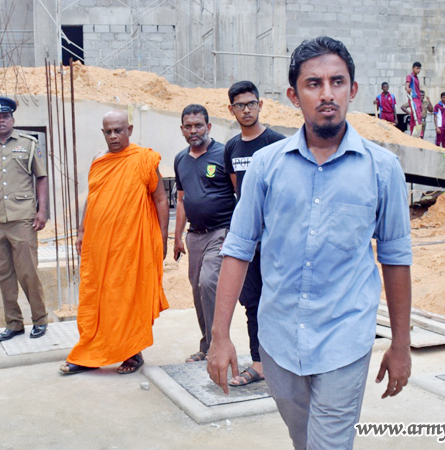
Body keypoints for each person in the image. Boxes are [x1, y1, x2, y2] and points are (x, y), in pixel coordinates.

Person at [207, 36, 413, 449]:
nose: (327, 94)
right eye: (313, 84)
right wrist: (219, 335)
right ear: (293, 95)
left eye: (337, 82)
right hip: (278, 340)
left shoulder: (383, 169)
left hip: (345, 339)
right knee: (302, 439)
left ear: (353, 89)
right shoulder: (266, 166)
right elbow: (239, 248)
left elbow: (395, 257)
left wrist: (401, 344)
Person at [60, 110, 169, 376]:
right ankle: (90, 353)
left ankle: (132, 353)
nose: (113, 136)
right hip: (99, 244)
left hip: (131, 246)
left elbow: (161, 199)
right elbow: (92, 198)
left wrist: (162, 238)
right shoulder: (99, 160)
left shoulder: (144, 159)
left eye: (118, 130)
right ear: (103, 133)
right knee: (96, 297)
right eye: (108, 132)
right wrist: (81, 231)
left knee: (127, 296)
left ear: (129, 130)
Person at [0, 96, 50, 341]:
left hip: (22, 219)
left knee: (28, 272)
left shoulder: (28, 144)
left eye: (5, 116)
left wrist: (42, 211)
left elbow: (41, 177)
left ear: (12, 119)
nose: (1, 121)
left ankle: (40, 319)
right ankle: (14, 324)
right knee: (2, 274)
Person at [223, 81, 285, 387]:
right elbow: (239, 191)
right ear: (231, 110)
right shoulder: (232, 148)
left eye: (251, 104)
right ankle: (259, 362)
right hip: (249, 241)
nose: (246, 110)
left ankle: (285, 361)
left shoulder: (278, 143)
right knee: (252, 301)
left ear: (260, 105)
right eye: (240, 105)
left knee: (281, 298)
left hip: (276, 239)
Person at [173, 104, 236, 363]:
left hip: (221, 231)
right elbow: (181, 200)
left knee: (208, 282)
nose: (193, 131)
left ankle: (217, 345)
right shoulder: (180, 159)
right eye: (188, 126)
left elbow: (239, 194)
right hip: (194, 236)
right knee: (197, 292)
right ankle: (207, 345)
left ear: (208, 126)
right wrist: (177, 237)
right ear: (182, 129)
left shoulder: (223, 154)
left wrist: (236, 233)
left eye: (198, 125)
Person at [404, 62, 423, 136]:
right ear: (413, 68)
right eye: (417, 68)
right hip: (414, 99)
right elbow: (407, 85)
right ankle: (418, 134)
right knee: (417, 115)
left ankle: (413, 134)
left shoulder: (416, 78)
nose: (418, 70)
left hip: (418, 99)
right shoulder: (410, 76)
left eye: (419, 69)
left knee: (413, 116)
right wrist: (408, 89)